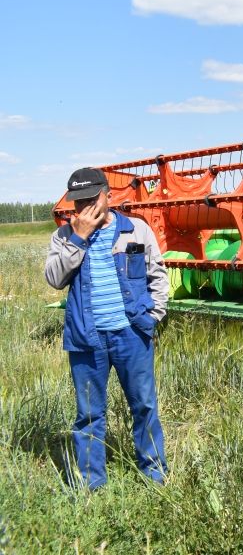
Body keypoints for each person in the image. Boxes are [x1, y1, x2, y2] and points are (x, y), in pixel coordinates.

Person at [44, 167, 169, 490]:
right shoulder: (63, 237)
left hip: (132, 334)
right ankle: (91, 484)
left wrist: (153, 316)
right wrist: (79, 237)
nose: (85, 207)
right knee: (88, 414)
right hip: (87, 339)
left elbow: (157, 274)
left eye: (91, 198)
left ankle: (154, 475)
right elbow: (55, 279)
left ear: (107, 196)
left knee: (143, 405)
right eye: (78, 201)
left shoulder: (135, 230)